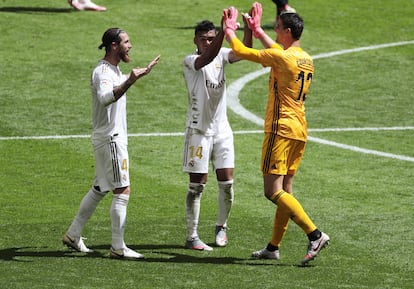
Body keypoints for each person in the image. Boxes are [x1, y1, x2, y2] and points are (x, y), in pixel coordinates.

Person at [222, 2, 329, 265]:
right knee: (286, 191)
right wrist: (257, 30)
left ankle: (314, 234)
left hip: (280, 129)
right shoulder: (304, 58)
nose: (275, 29)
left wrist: (229, 31)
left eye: (278, 27)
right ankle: (273, 247)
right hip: (299, 130)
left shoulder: (282, 58)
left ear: (288, 32)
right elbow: (278, 52)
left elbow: (239, 50)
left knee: (272, 191)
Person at [62, 27, 160, 259]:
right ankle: (118, 246)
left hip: (108, 138)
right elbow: (106, 97)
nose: (130, 45)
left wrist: (135, 76)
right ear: (114, 46)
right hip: (111, 140)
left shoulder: (113, 70)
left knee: (99, 188)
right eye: (126, 42)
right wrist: (130, 82)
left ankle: (73, 234)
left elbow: (116, 86)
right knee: (122, 190)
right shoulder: (103, 72)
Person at [182, 18, 252, 251]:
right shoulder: (190, 61)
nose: (207, 43)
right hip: (198, 132)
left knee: (227, 183)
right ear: (195, 40)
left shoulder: (221, 54)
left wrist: (250, 30)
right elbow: (207, 58)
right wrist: (226, 31)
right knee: (197, 186)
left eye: (211, 39)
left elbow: (243, 53)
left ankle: (221, 226)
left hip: (222, 130)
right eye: (203, 39)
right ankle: (192, 236)